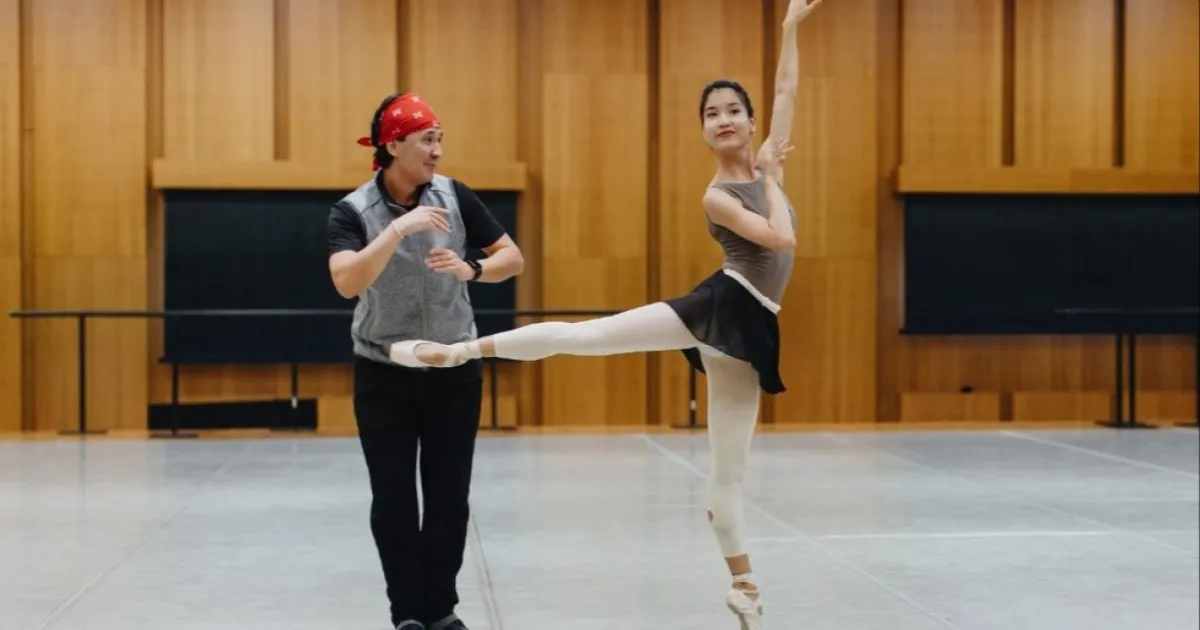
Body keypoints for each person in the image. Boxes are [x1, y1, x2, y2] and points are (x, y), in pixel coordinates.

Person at [389, 1, 821, 627]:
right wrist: (776, 179)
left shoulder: (767, 155)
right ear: (703, 130)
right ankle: (457, 350)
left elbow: (787, 86)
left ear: (752, 122)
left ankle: (745, 588)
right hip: (719, 304)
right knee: (584, 336)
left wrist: (787, 28)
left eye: (733, 110)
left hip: (753, 329)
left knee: (728, 476)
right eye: (711, 114)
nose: (723, 120)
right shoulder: (720, 194)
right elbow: (780, 240)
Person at [326, 91, 525, 630]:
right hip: (383, 373)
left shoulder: (455, 196)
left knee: (447, 498)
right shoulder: (353, 211)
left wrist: (473, 270)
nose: (437, 151)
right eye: (427, 140)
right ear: (393, 145)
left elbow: (512, 256)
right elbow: (346, 281)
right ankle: (406, 615)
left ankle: (441, 610)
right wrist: (396, 231)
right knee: (392, 500)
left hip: (453, 371)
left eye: (440, 139)